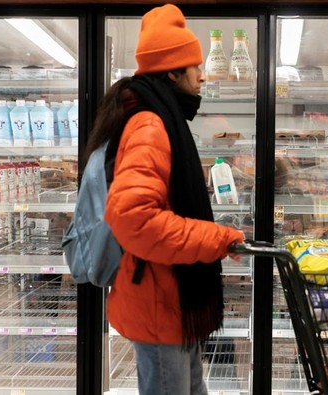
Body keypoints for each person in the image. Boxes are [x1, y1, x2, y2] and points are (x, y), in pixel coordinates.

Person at [95, 4, 245, 394]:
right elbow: (134, 218)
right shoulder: (150, 123)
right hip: (159, 299)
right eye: (195, 67)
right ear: (173, 72)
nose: (202, 75)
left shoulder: (159, 117)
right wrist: (216, 238)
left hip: (171, 300)